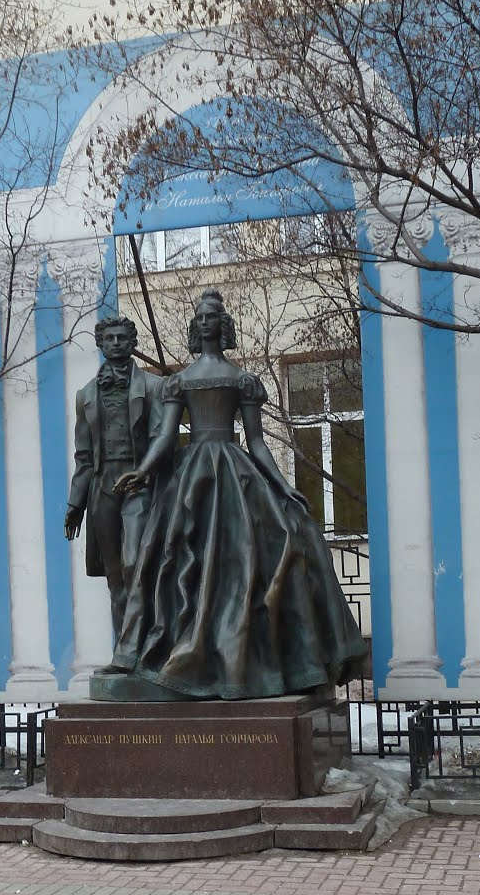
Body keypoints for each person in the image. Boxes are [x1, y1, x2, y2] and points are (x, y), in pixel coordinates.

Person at [113, 287, 368, 700]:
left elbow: (257, 443)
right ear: (195, 326)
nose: (205, 320)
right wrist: (142, 471)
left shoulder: (241, 380)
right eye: (200, 316)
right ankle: (179, 652)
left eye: (212, 315)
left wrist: (285, 487)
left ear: (223, 324)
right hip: (191, 475)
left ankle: (256, 661)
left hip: (234, 471)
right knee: (176, 558)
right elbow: (164, 438)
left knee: (267, 548)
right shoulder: (178, 382)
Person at [64, 316, 163, 657]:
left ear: (132, 342)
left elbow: (159, 440)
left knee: (135, 563)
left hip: (139, 484)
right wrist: (76, 504)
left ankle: (149, 645)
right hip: (103, 487)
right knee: (114, 578)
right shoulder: (86, 395)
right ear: (100, 344)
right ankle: (126, 653)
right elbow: (83, 456)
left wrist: (146, 473)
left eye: (123, 337)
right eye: (110, 338)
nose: (117, 343)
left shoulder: (152, 387)